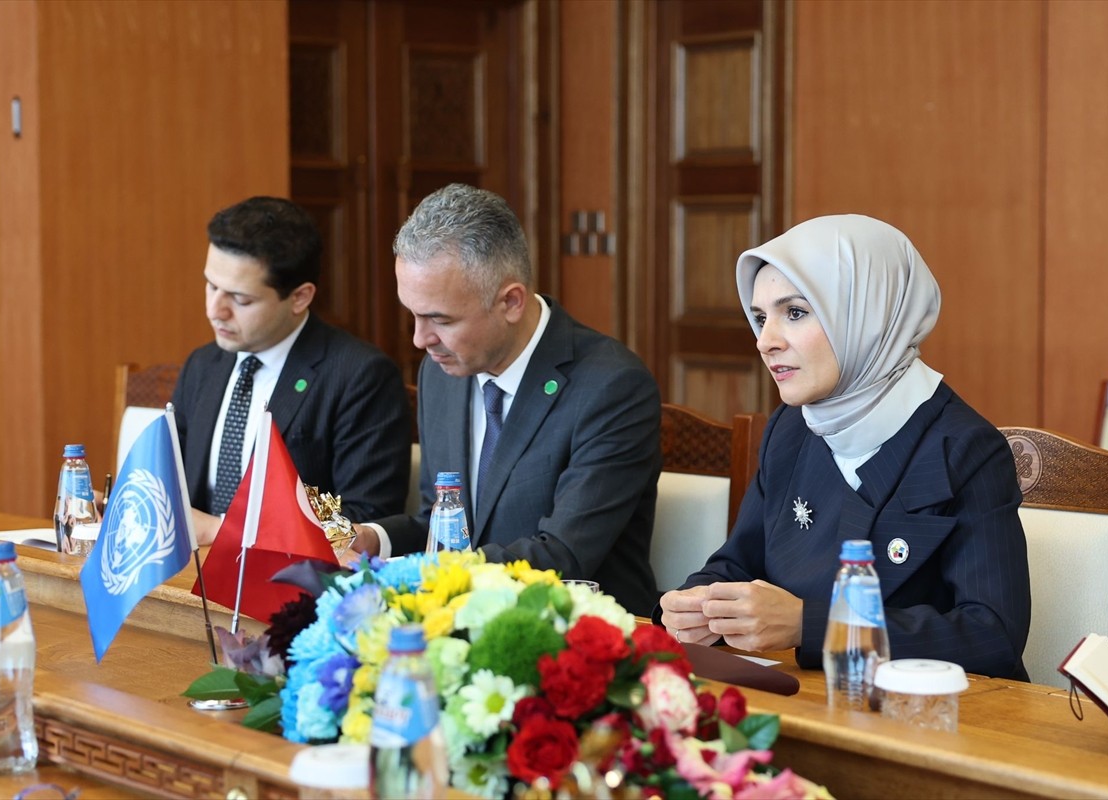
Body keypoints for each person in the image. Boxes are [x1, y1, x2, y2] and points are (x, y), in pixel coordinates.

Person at [658, 215, 1031, 681]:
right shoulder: (790, 429)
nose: (765, 341)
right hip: (809, 700)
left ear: (867, 313)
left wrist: (808, 624)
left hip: (934, 723)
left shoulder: (965, 448)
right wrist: (697, 602)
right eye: (759, 317)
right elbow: (738, 562)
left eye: (794, 313)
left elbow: (992, 634)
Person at [350, 183, 662, 616]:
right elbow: (443, 523)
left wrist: (413, 573)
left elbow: (563, 555)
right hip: (456, 626)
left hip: (575, 637)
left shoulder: (611, 386)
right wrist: (372, 539)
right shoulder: (443, 373)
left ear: (511, 302)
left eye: (439, 319)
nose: (421, 340)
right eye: (413, 315)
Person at [172, 196, 412, 545]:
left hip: (294, 588)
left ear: (300, 297)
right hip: (190, 582)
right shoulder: (203, 365)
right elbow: (169, 484)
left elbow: (362, 521)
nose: (215, 311)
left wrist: (219, 531)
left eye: (240, 299)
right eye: (211, 286)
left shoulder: (360, 377)